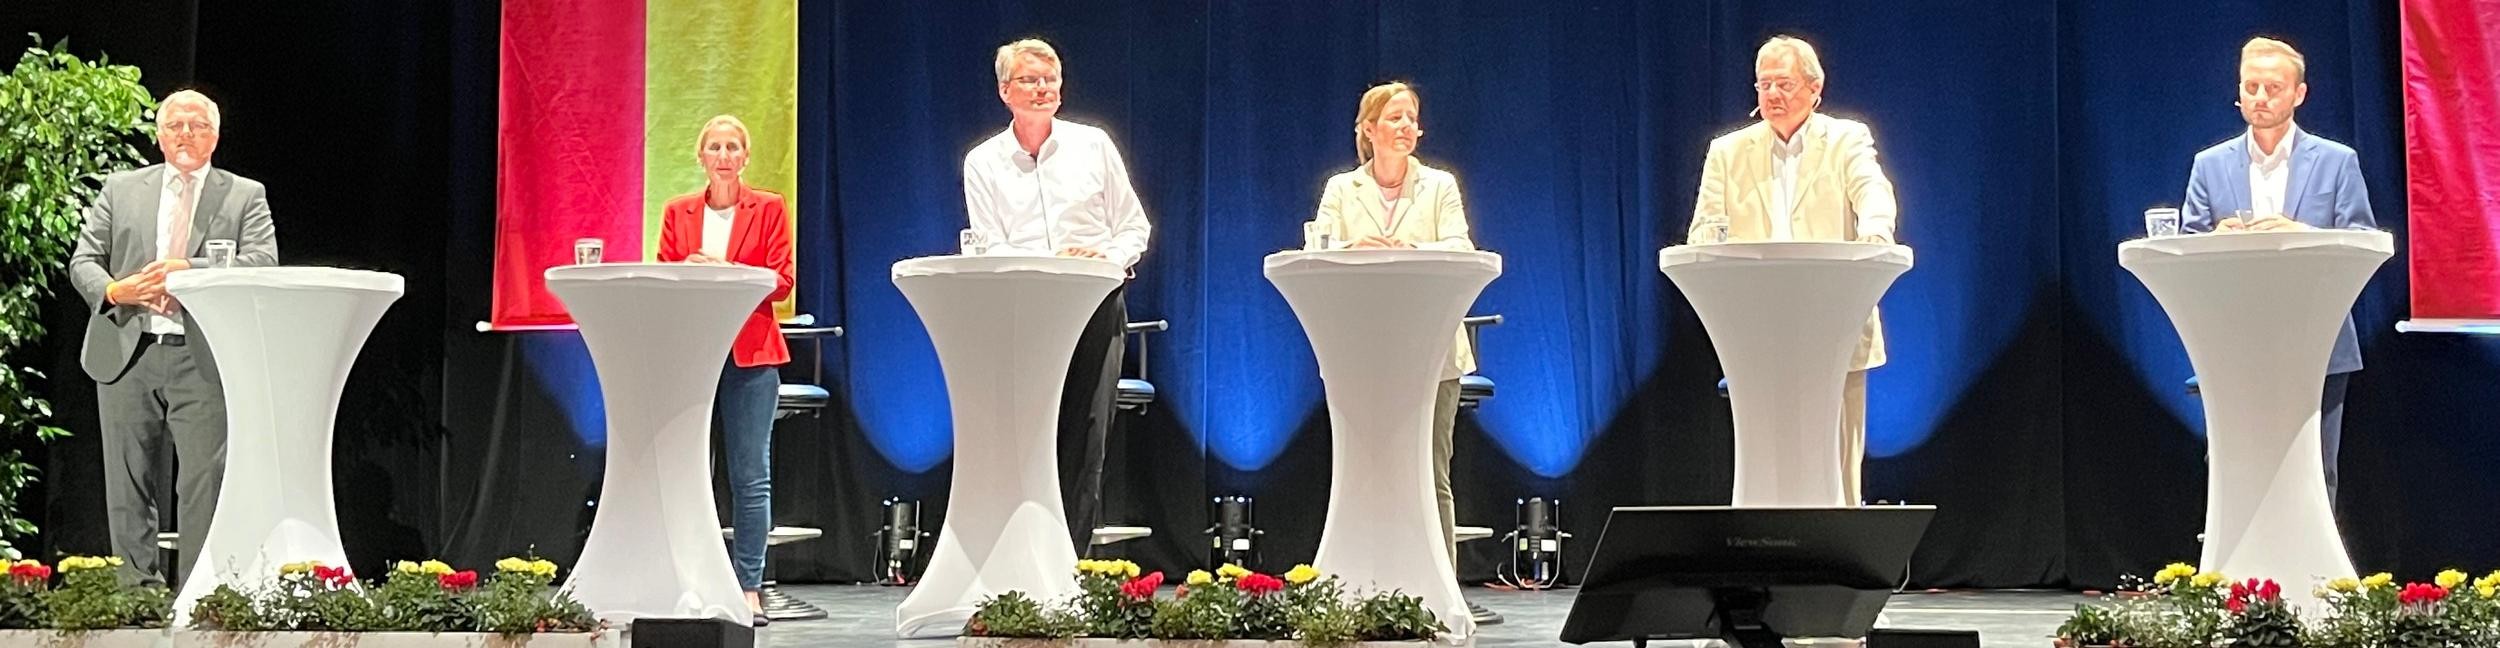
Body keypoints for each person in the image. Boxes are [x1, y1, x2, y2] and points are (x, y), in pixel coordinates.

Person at [68, 89, 279, 585]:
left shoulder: (244, 194)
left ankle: (198, 596)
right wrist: (116, 290)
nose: (186, 134)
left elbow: (263, 263)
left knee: (203, 483)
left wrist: (191, 271)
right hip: (127, 352)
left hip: (201, 355)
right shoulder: (120, 189)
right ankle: (135, 595)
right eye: (176, 126)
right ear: (159, 135)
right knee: (127, 484)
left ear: (216, 136)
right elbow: (84, 261)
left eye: (198, 126)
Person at [1689, 35, 1899, 505]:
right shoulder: (1727, 152)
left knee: (1838, 474)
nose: (1771, 95)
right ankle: (1762, 562)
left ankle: (1840, 565)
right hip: (1756, 335)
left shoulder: (1847, 139)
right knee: (1764, 472)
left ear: (1814, 89)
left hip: (1836, 326)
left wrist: (1876, 234)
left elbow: (1873, 192)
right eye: (1763, 85)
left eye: (1783, 83)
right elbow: (1703, 231)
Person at [961, 38, 1151, 552]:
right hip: (1024, 313)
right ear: (1005, 90)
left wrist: (1105, 258)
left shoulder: (1094, 145)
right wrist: (1042, 268)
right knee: (1026, 434)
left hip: (1094, 304)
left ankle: (1071, 561)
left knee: (1087, 434)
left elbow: (1134, 226)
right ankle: (1021, 557)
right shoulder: (983, 161)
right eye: (1029, 79)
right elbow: (989, 242)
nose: (1043, 88)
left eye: (1050, 79)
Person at [2181, 37, 2375, 504]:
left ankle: (2315, 578)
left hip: (2318, 337)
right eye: (2252, 86)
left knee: (2315, 469)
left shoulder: (2336, 162)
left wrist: (2301, 232)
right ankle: (2236, 576)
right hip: (2235, 341)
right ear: (2238, 92)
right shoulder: (2209, 165)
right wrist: (2214, 242)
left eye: (2273, 86)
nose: (2261, 97)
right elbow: (2184, 249)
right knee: (2234, 468)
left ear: (2299, 94)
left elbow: (2365, 244)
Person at [1304, 81, 1476, 566]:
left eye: (1412, 118)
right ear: (1368, 129)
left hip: (1434, 352)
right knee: (1365, 471)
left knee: (1432, 473)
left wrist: (1409, 250)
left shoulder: (1439, 185)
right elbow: (1318, 248)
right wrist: (1351, 249)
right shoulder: (1342, 188)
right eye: (1395, 117)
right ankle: (1364, 579)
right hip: (1363, 355)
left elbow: (1461, 247)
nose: (1407, 126)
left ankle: (1443, 592)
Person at [657, 114, 795, 625]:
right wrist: (684, 271)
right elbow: (663, 272)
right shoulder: (678, 212)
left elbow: (782, 281)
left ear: (745, 157)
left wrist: (737, 274)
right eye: (714, 146)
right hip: (693, 354)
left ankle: (748, 586)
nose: (723, 155)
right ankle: (687, 578)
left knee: (750, 475)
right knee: (686, 471)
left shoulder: (769, 208)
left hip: (751, 353)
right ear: (701, 157)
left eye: (732, 147)